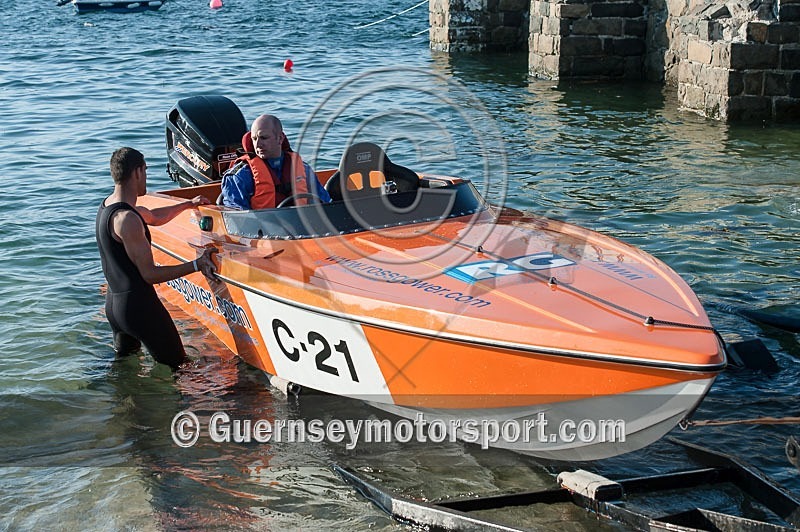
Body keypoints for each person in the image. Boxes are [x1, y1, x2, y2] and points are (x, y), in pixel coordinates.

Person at [96, 147, 217, 369]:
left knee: (124, 369)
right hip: (140, 308)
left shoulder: (109, 207)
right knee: (181, 368)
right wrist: (196, 264)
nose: (146, 177)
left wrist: (188, 204)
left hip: (115, 307)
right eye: (146, 170)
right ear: (137, 173)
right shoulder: (128, 220)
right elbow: (150, 274)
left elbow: (152, 217)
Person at [220, 114, 331, 210]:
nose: (258, 144)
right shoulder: (239, 176)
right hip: (260, 231)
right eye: (254, 139)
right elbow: (236, 220)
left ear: (280, 138)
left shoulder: (304, 170)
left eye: (264, 138)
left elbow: (325, 204)